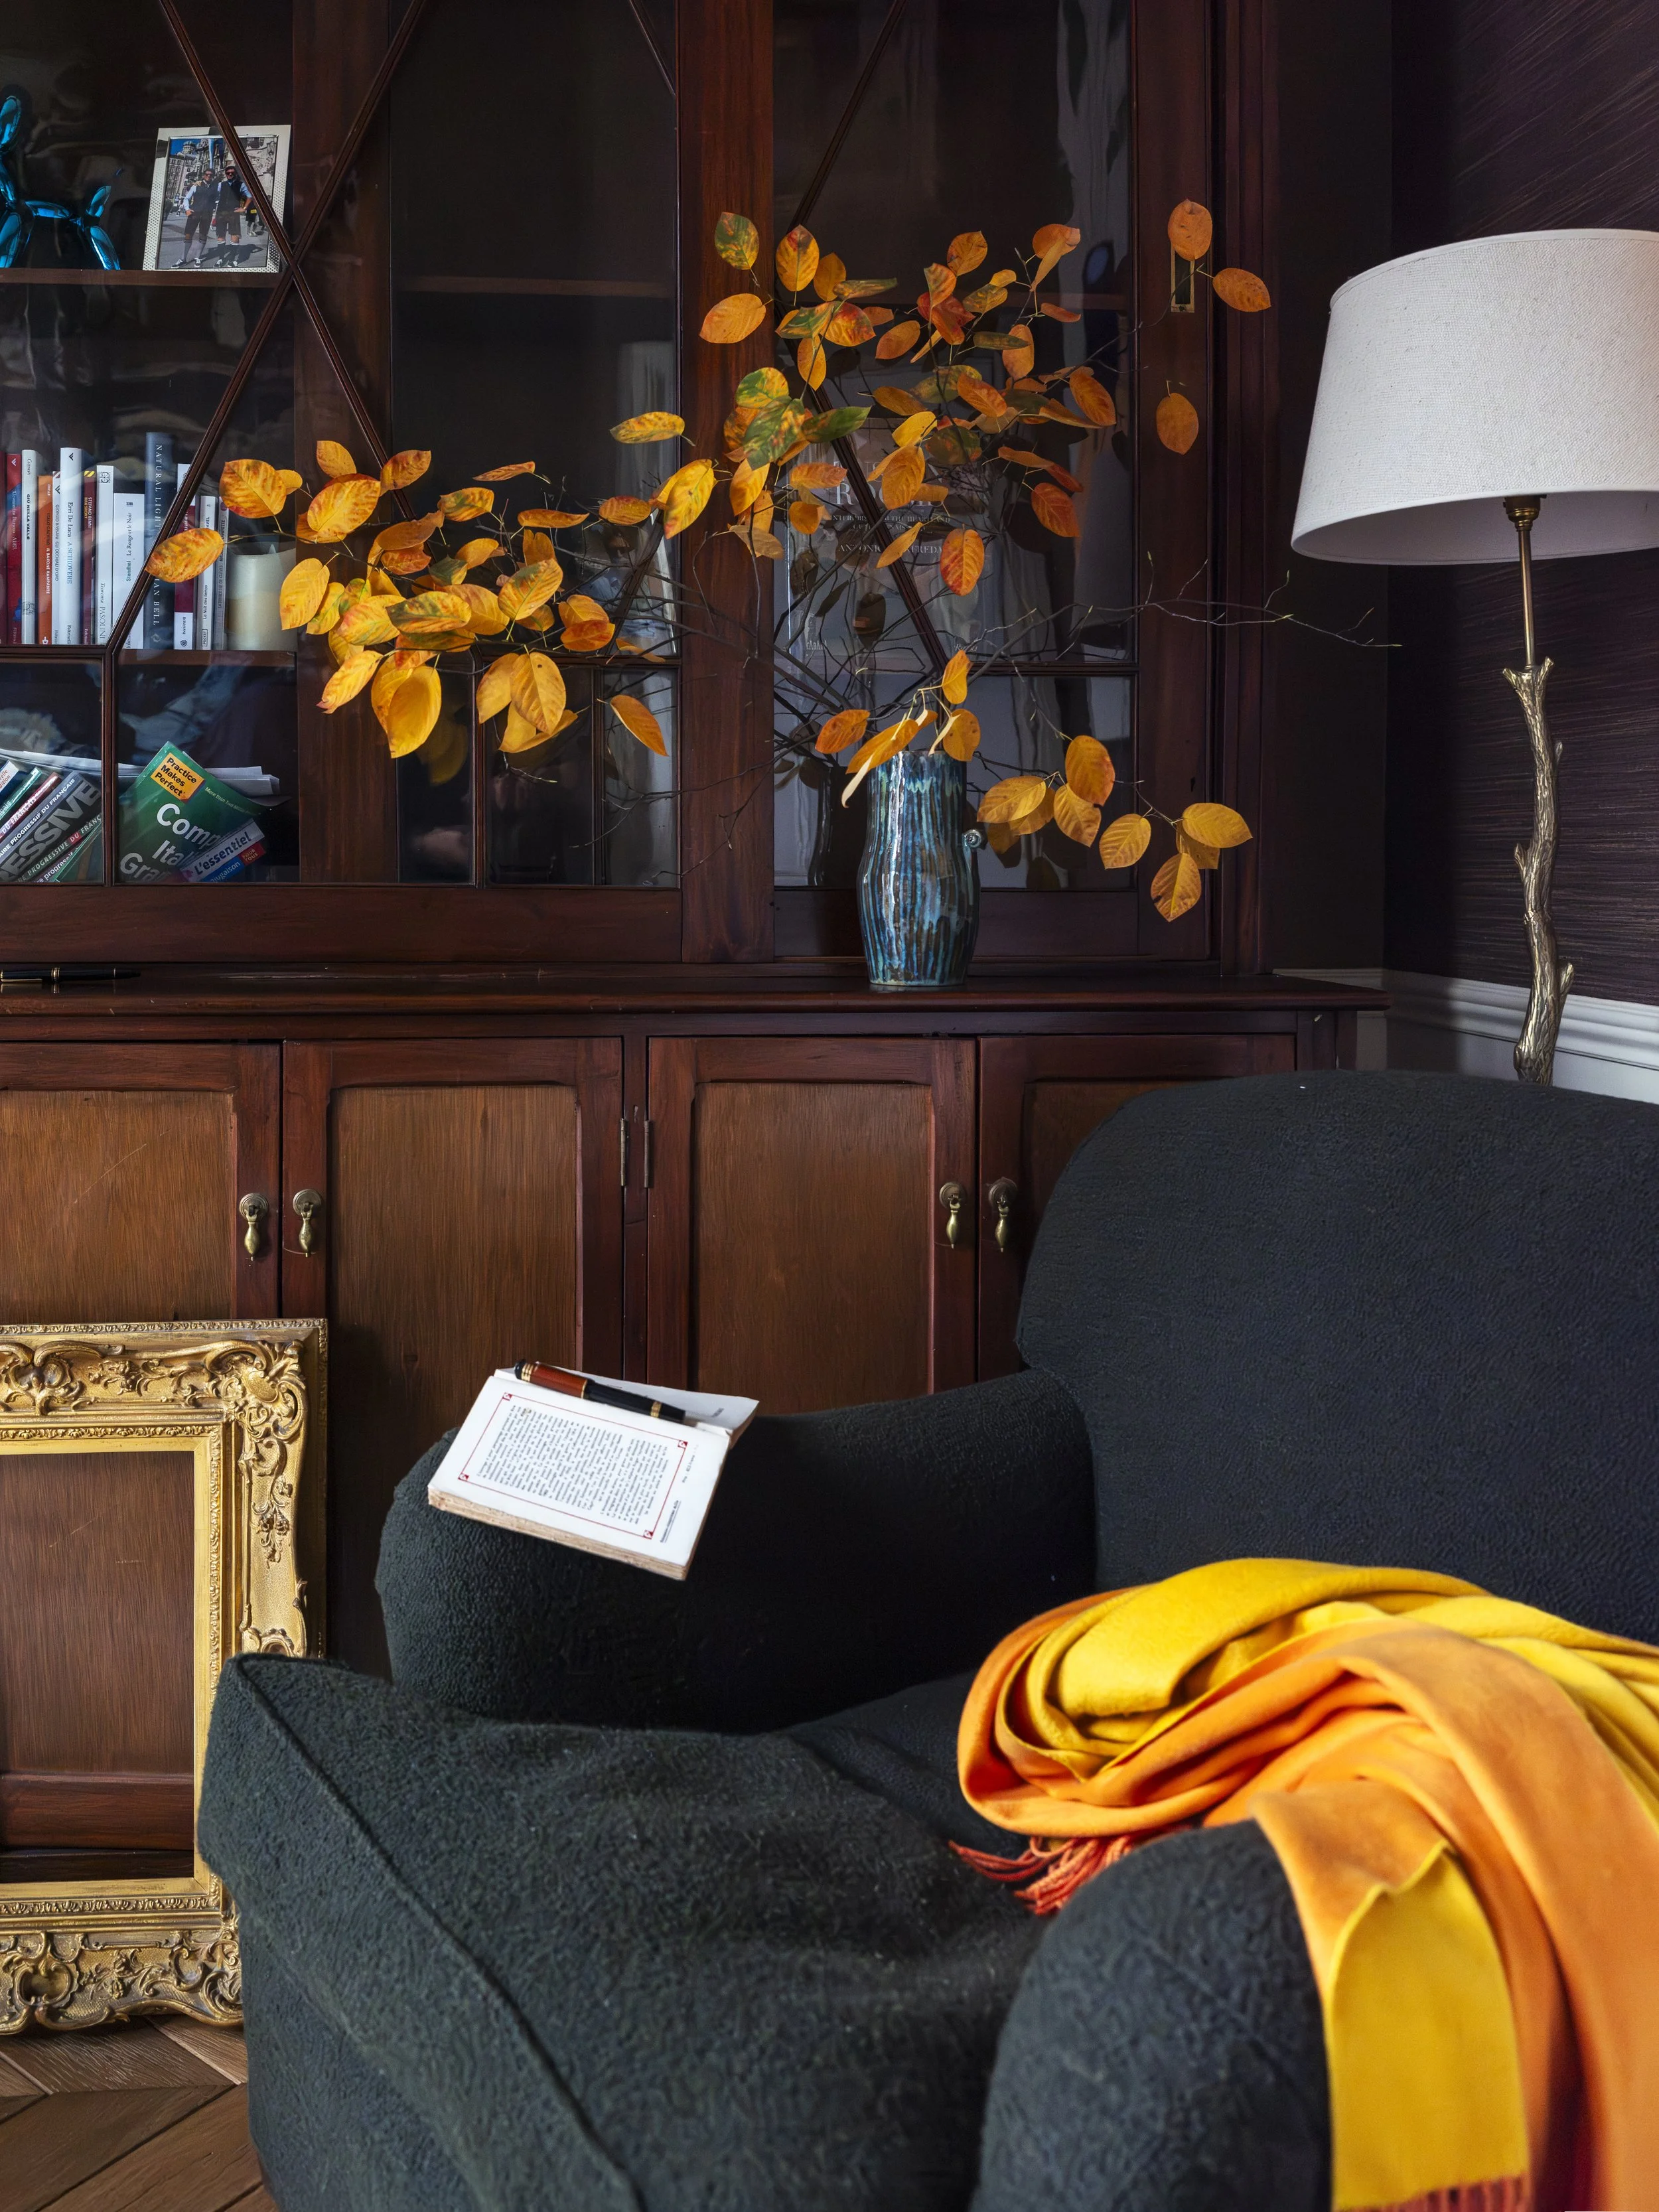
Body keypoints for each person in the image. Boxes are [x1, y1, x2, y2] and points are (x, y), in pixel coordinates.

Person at [180, 166, 216, 265]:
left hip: (207, 214)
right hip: (195, 213)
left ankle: (198, 258)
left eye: (211, 175)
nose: (209, 176)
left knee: (203, 235)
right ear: (204, 176)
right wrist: (187, 209)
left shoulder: (215, 187)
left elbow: (219, 198)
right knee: (188, 234)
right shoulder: (196, 186)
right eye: (207, 174)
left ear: (213, 176)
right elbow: (187, 198)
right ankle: (183, 259)